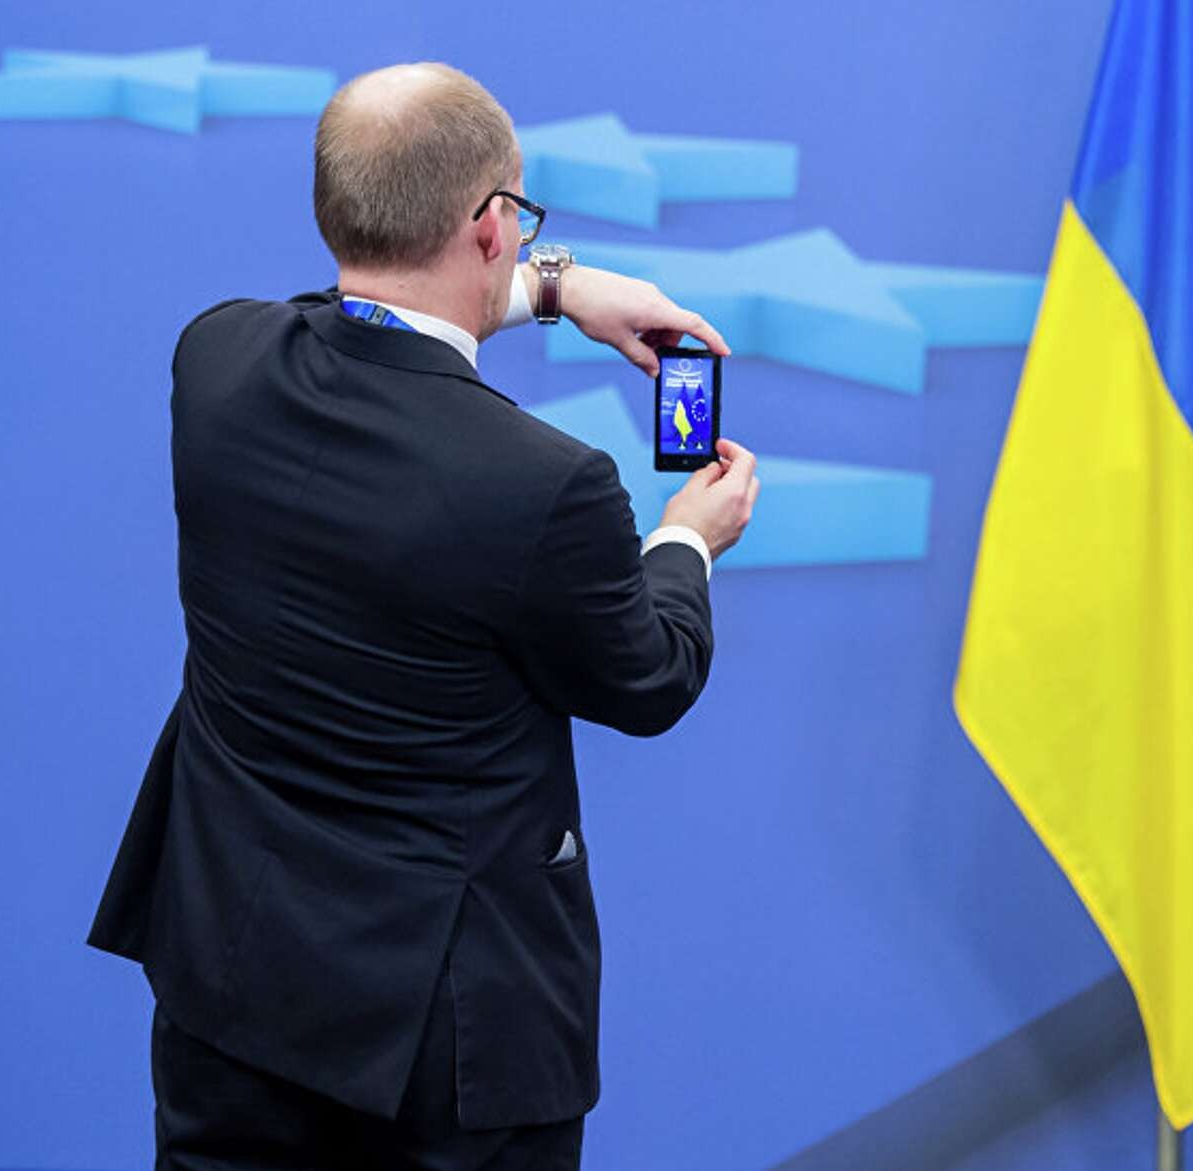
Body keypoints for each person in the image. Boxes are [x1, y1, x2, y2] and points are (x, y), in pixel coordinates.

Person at [85, 62, 757, 1168]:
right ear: (492, 225)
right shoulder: (545, 485)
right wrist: (687, 539)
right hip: (445, 1055)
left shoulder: (215, 361)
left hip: (230, 987)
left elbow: (347, 317)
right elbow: (649, 678)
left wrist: (550, 287)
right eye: (519, 222)